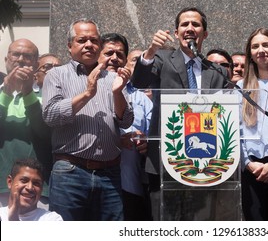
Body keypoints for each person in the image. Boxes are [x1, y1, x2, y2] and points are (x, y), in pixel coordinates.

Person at [131, 7, 228, 220]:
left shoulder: (218, 71)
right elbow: (138, 81)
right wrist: (150, 51)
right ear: (176, 33)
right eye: (185, 24)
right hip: (164, 161)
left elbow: (224, 114)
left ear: (205, 33)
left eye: (196, 24)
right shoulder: (162, 59)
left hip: (206, 163)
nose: (190, 28)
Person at [42, 19, 134, 221]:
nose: (89, 45)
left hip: (109, 173)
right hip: (71, 172)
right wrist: (87, 94)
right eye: (82, 40)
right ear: (69, 46)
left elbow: (126, 121)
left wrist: (118, 93)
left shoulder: (112, 78)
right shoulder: (56, 75)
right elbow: (50, 115)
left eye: (94, 40)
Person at [97, 33, 153, 221]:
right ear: (98, 55)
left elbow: (155, 135)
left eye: (120, 54)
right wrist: (117, 139)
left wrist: (146, 142)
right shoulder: (86, 90)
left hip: (130, 185)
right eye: (108, 53)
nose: (114, 58)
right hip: (91, 183)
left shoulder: (140, 98)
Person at [0, 39, 52, 209]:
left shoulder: (49, 95)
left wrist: (28, 92)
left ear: (36, 64)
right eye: (16, 54)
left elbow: (44, 133)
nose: (20, 59)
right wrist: (6, 93)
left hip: (36, 189)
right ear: (6, 59)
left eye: (27, 56)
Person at [238, 28, 268, 221]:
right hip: (251, 168)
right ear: (250, 54)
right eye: (255, 46)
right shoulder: (240, 87)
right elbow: (234, 130)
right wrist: (247, 162)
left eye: (266, 45)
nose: (261, 50)